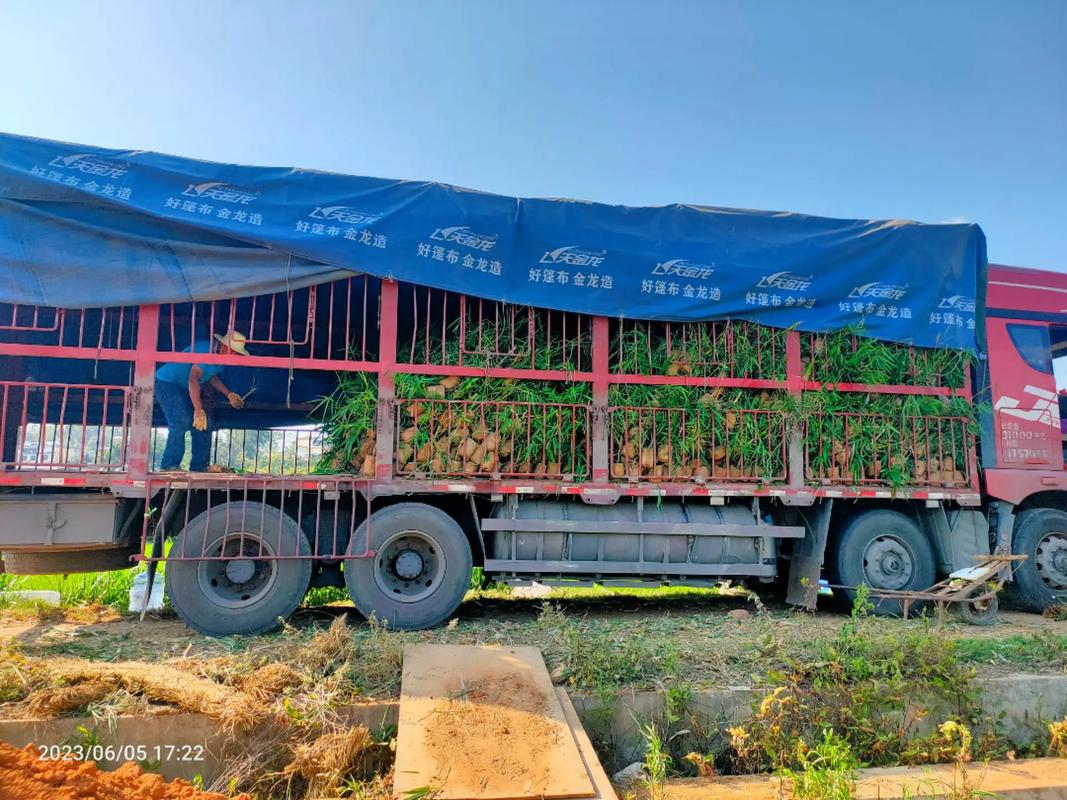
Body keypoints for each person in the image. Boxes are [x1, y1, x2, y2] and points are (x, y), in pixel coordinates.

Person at [155, 331, 249, 472]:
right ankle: (169, 465)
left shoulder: (219, 358)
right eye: (234, 352)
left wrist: (229, 394)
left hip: (183, 385)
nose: (235, 356)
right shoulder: (205, 350)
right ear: (224, 347)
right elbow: (193, 379)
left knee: (206, 423)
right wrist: (198, 410)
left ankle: (199, 467)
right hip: (167, 382)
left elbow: (211, 377)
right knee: (181, 421)